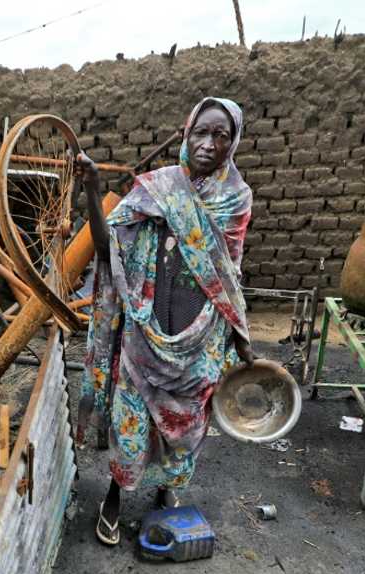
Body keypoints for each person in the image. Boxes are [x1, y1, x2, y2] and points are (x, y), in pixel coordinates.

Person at [75, 97, 255, 547]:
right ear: (187, 134)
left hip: (200, 342)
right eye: (201, 132)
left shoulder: (236, 200)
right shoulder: (157, 190)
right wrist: (94, 191)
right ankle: (115, 495)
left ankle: (165, 491)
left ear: (233, 143)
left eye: (221, 135)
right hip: (144, 335)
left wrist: (241, 339)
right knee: (130, 425)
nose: (209, 143)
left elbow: (227, 276)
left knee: (185, 430)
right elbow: (107, 247)